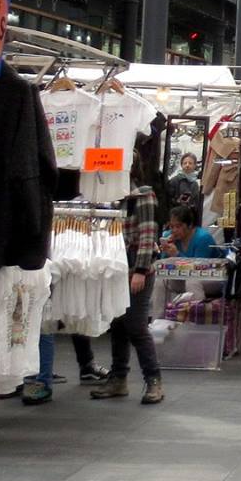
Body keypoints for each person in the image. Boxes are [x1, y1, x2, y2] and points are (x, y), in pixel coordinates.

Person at [93, 138, 164, 405]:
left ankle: (153, 379)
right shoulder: (111, 198)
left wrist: (141, 270)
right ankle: (119, 378)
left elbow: (148, 235)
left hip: (136, 267)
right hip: (116, 267)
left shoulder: (142, 196)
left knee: (135, 325)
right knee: (118, 324)